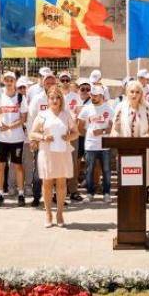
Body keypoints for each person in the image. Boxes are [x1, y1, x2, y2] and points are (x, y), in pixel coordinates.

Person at [30, 85, 78, 227]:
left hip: (62, 152)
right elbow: (33, 133)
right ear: (48, 100)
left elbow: (75, 132)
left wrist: (68, 137)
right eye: (52, 98)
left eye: (58, 97)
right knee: (47, 183)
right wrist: (44, 137)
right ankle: (48, 214)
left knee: (62, 183)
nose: (55, 100)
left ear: (61, 99)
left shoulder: (66, 114)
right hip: (47, 153)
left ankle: (60, 213)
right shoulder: (42, 115)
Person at [0, 72, 28, 208]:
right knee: (1, 166)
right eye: (6, 79)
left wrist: (9, 126)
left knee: (18, 165)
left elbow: (24, 118)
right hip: (0, 138)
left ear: (15, 81)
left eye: (11, 79)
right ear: (3, 81)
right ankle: (1, 193)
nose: (8, 82)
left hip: (16, 138)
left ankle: (21, 193)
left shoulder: (21, 97)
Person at [78, 84, 114, 203]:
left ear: (101, 95)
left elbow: (114, 127)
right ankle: (89, 193)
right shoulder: (86, 108)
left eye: (95, 95)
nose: (92, 97)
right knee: (89, 171)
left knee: (107, 171)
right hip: (90, 145)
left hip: (105, 145)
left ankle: (107, 193)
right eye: (91, 95)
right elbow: (80, 127)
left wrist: (103, 131)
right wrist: (89, 135)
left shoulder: (108, 109)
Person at [27, 75, 51, 208]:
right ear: (43, 83)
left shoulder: (60, 98)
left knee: (55, 169)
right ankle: (37, 196)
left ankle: (54, 196)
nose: (50, 84)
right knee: (38, 170)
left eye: (53, 82)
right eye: (47, 82)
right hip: (40, 139)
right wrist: (32, 139)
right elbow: (31, 119)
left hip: (55, 139)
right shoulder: (37, 99)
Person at [63, 74, 84, 202]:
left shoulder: (76, 97)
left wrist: (73, 131)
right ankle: (60, 190)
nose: (65, 82)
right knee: (59, 162)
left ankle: (73, 190)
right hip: (59, 134)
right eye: (62, 80)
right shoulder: (56, 95)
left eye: (67, 80)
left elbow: (79, 114)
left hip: (72, 134)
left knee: (73, 163)